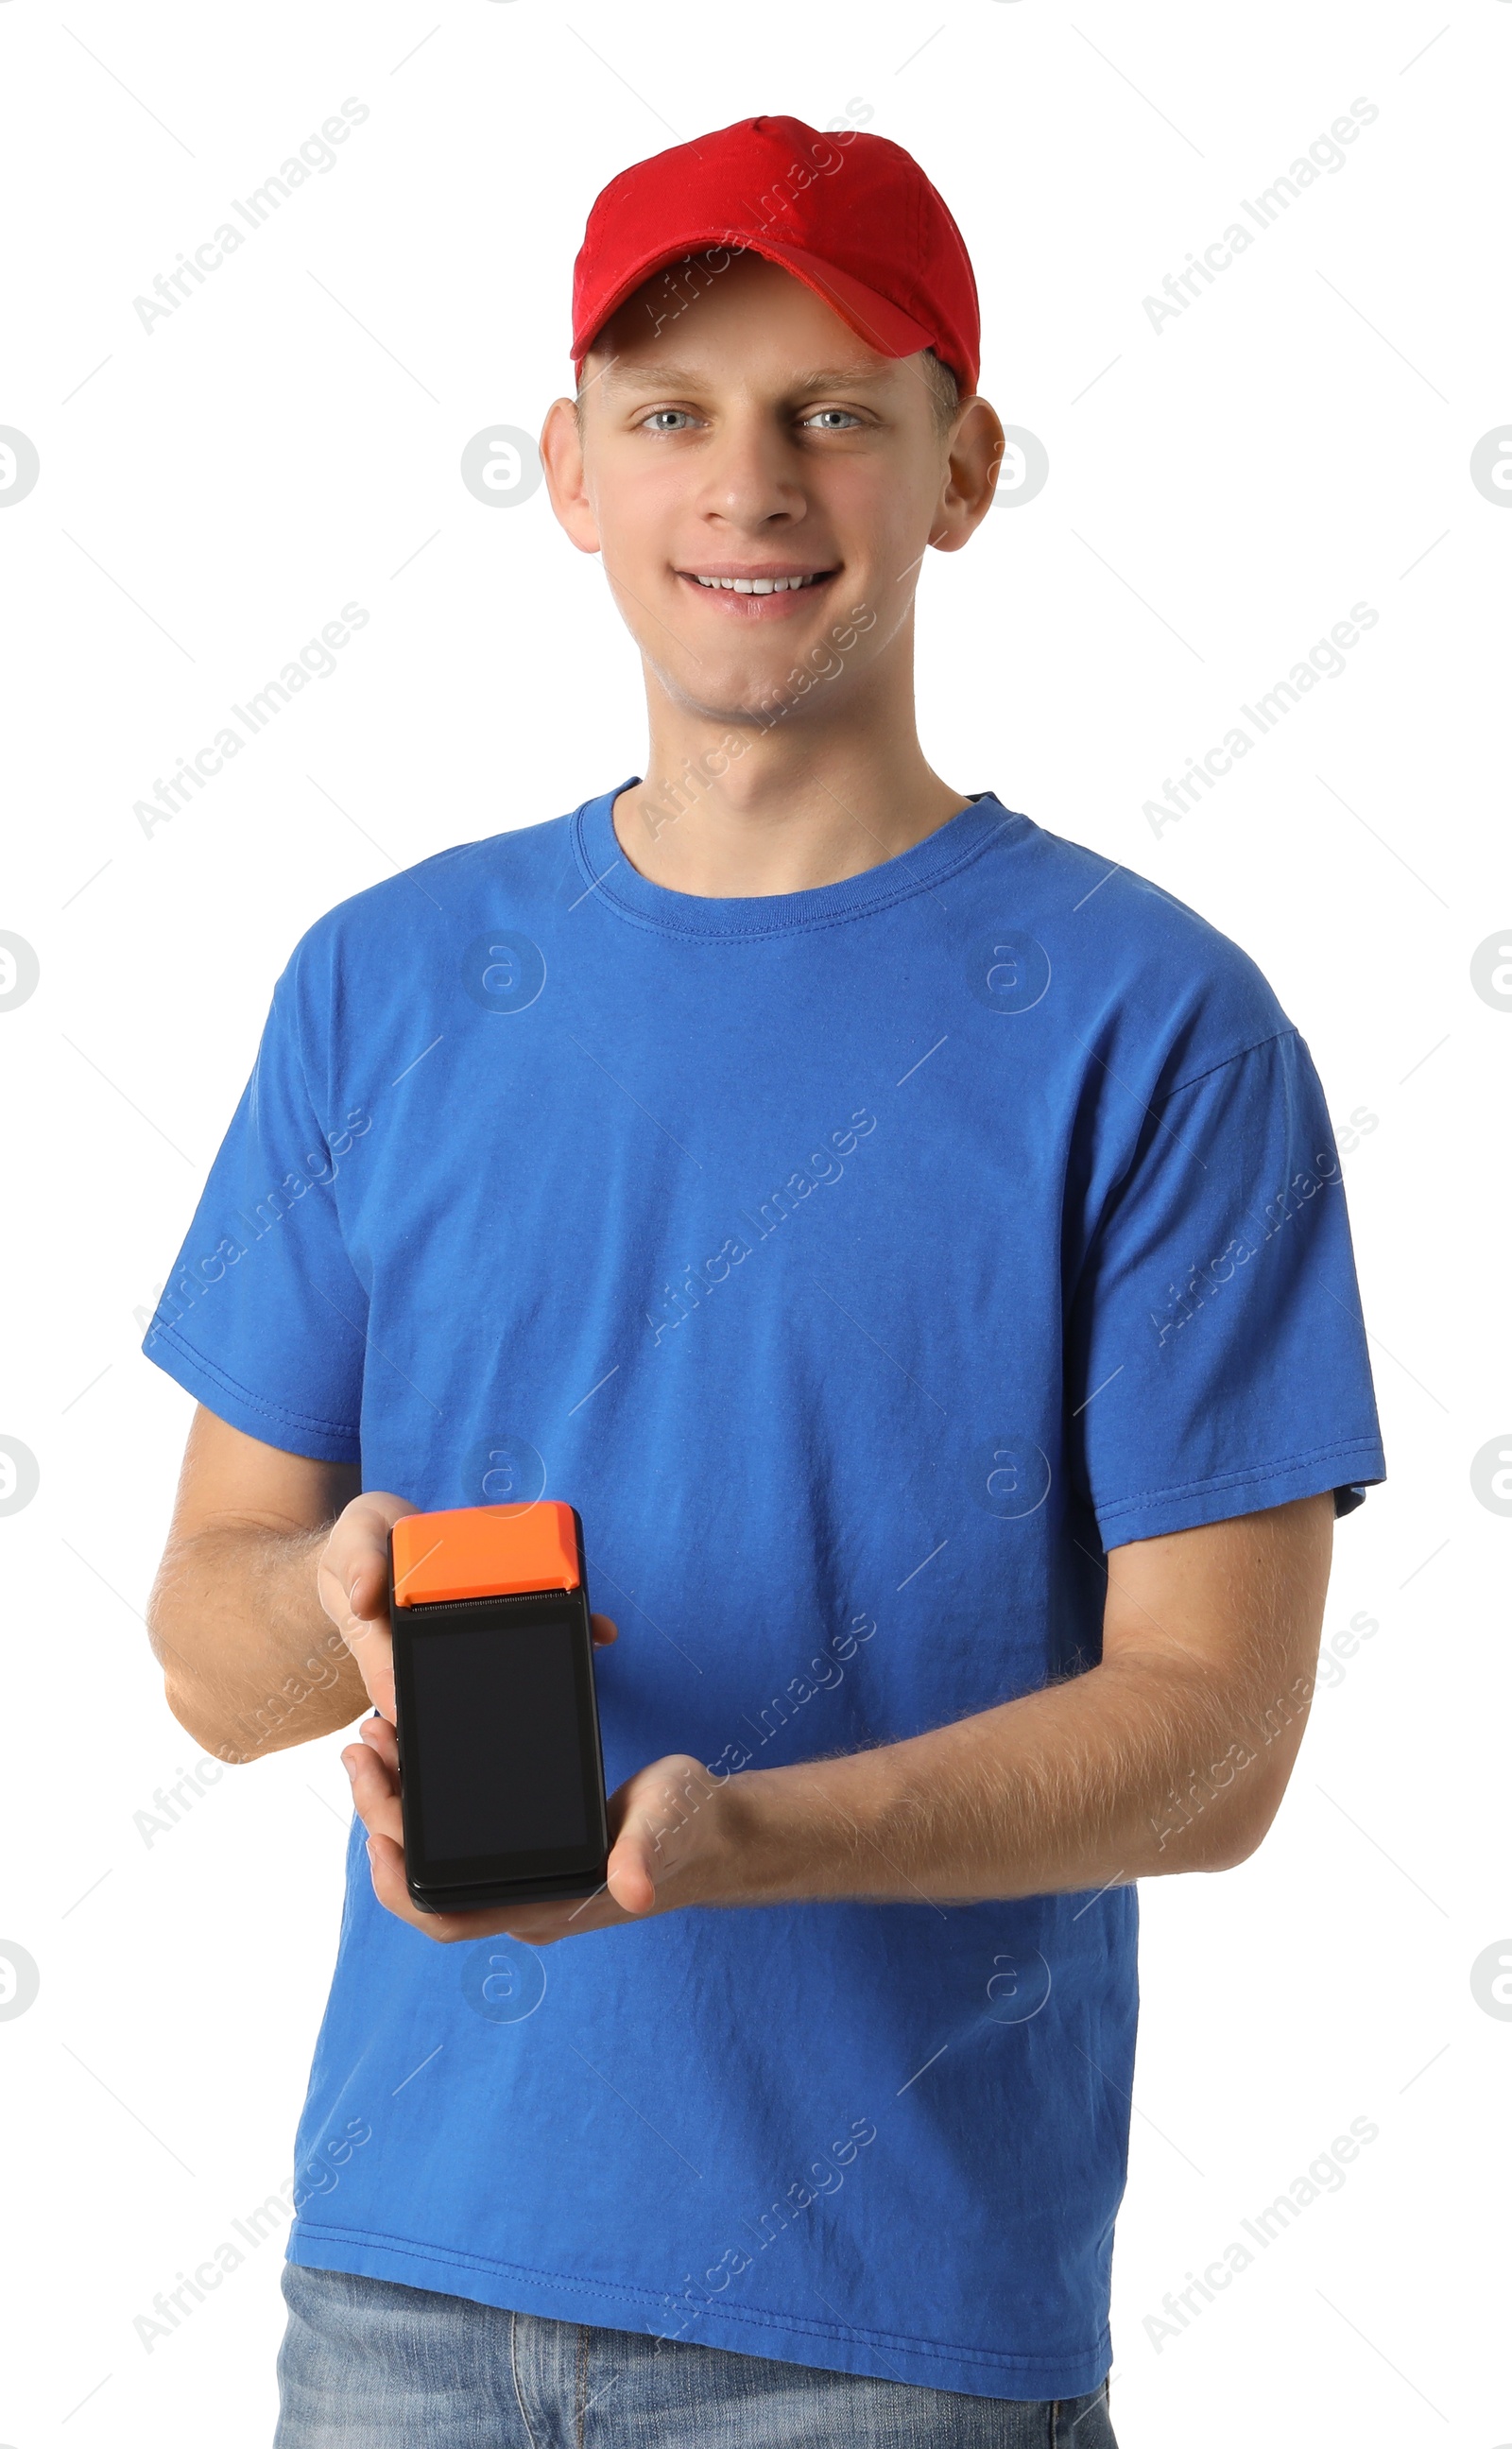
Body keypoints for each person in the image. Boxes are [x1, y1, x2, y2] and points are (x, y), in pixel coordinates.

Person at [141, 113, 1385, 2448]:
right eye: (671, 416)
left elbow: (1216, 1740)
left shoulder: (1152, 1027)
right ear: (571, 472)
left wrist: (743, 1843)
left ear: (960, 465)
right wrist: (332, 1598)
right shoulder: (382, 985)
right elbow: (206, 1651)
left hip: (884, 2329)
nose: (750, 484)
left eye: (833, 409)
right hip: (396, 2291)